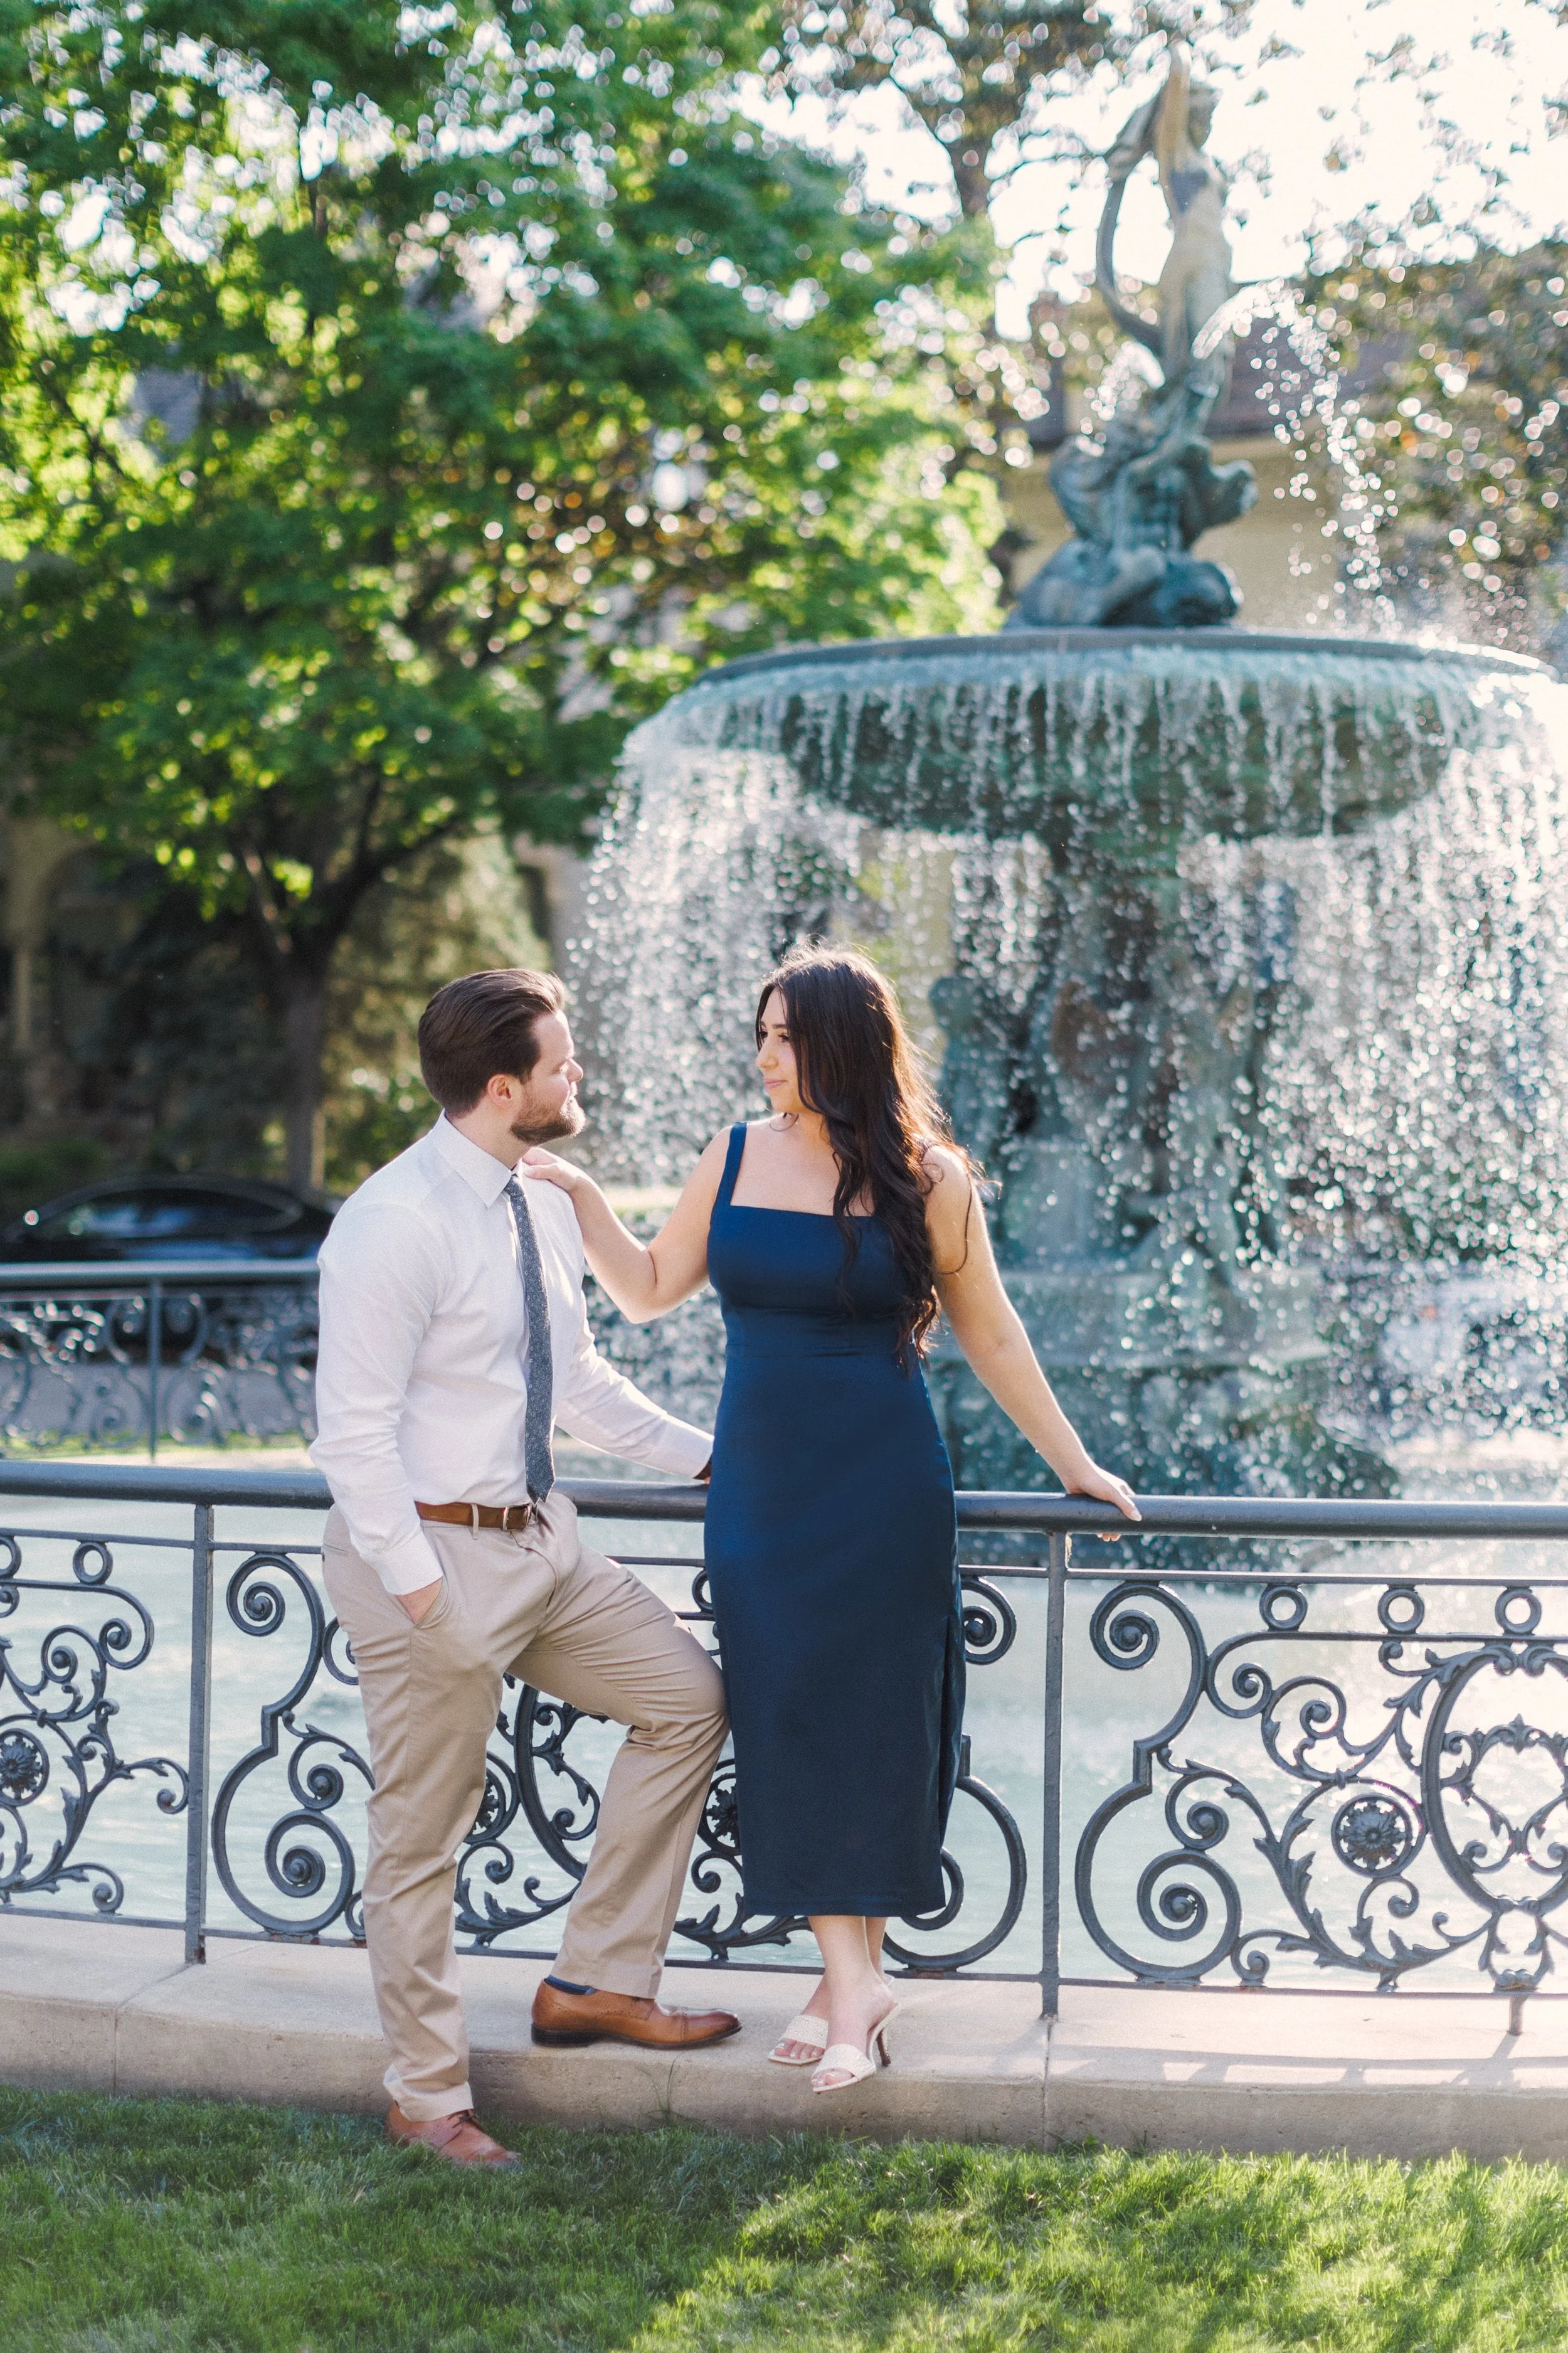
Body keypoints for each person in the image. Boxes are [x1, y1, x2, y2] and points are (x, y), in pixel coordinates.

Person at [522, 943, 1140, 2095]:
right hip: (762, 1488)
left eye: (785, 1037)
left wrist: (1078, 1466)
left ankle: (850, 1987)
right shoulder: (734, 1153)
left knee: (875, 1723)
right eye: (759, 1034)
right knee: (788, 1710)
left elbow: (992, 1335)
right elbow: (654, 1289)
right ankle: (854, 1981)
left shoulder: (932, 1176)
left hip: (884, 1486)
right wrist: (591, 1204)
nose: (764, 1057)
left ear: (843, 1044)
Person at [312, 967, 739, 2170]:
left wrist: (716, 1460)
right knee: (421, 1839)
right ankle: (426, 2097)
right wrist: (420, 1589)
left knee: (688, 1702)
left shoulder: (540, 1194)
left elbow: (584, 1384)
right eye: (562, 1063)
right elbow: (351, 1433)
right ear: (504, 1088)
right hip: (431, 1560)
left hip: (543, 1543)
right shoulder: (390, 1224)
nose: (578, 1075)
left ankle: (596, 1981)